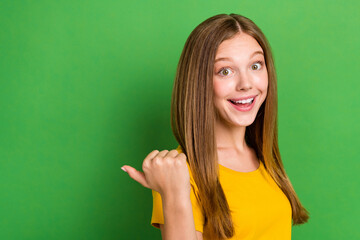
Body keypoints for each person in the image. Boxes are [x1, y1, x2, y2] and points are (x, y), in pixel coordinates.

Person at [121, 13, 310, 240]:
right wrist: (174, 193)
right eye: (225, 71)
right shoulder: (180, 173)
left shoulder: (261, 155)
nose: (246, 84)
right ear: (199, 82)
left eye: (256, 65)